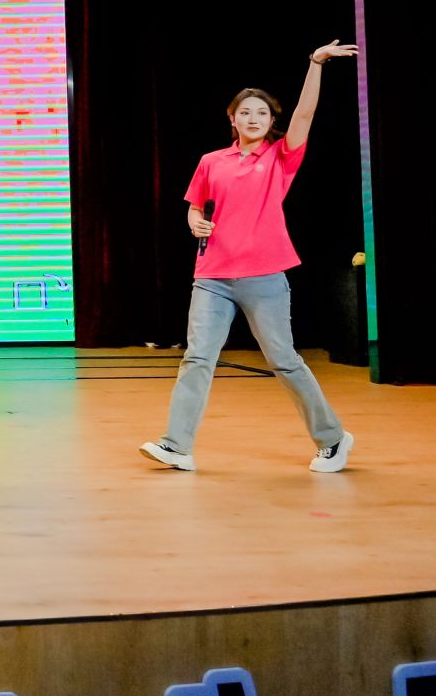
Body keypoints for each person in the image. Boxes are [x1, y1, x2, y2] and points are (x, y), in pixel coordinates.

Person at [140, 41, 359, 474]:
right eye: (245, 112)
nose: (253, 118)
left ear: (272, 121)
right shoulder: (211, 161)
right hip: (212, 277)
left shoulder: (280, 157)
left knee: (284, 360)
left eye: (262, 113)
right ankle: (177, 445)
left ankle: (333, 439)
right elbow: (195, 206)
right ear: (233, 119)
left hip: (264, 276)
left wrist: (315, 64)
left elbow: (304, 115)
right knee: (197, 358)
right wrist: (195, 222)